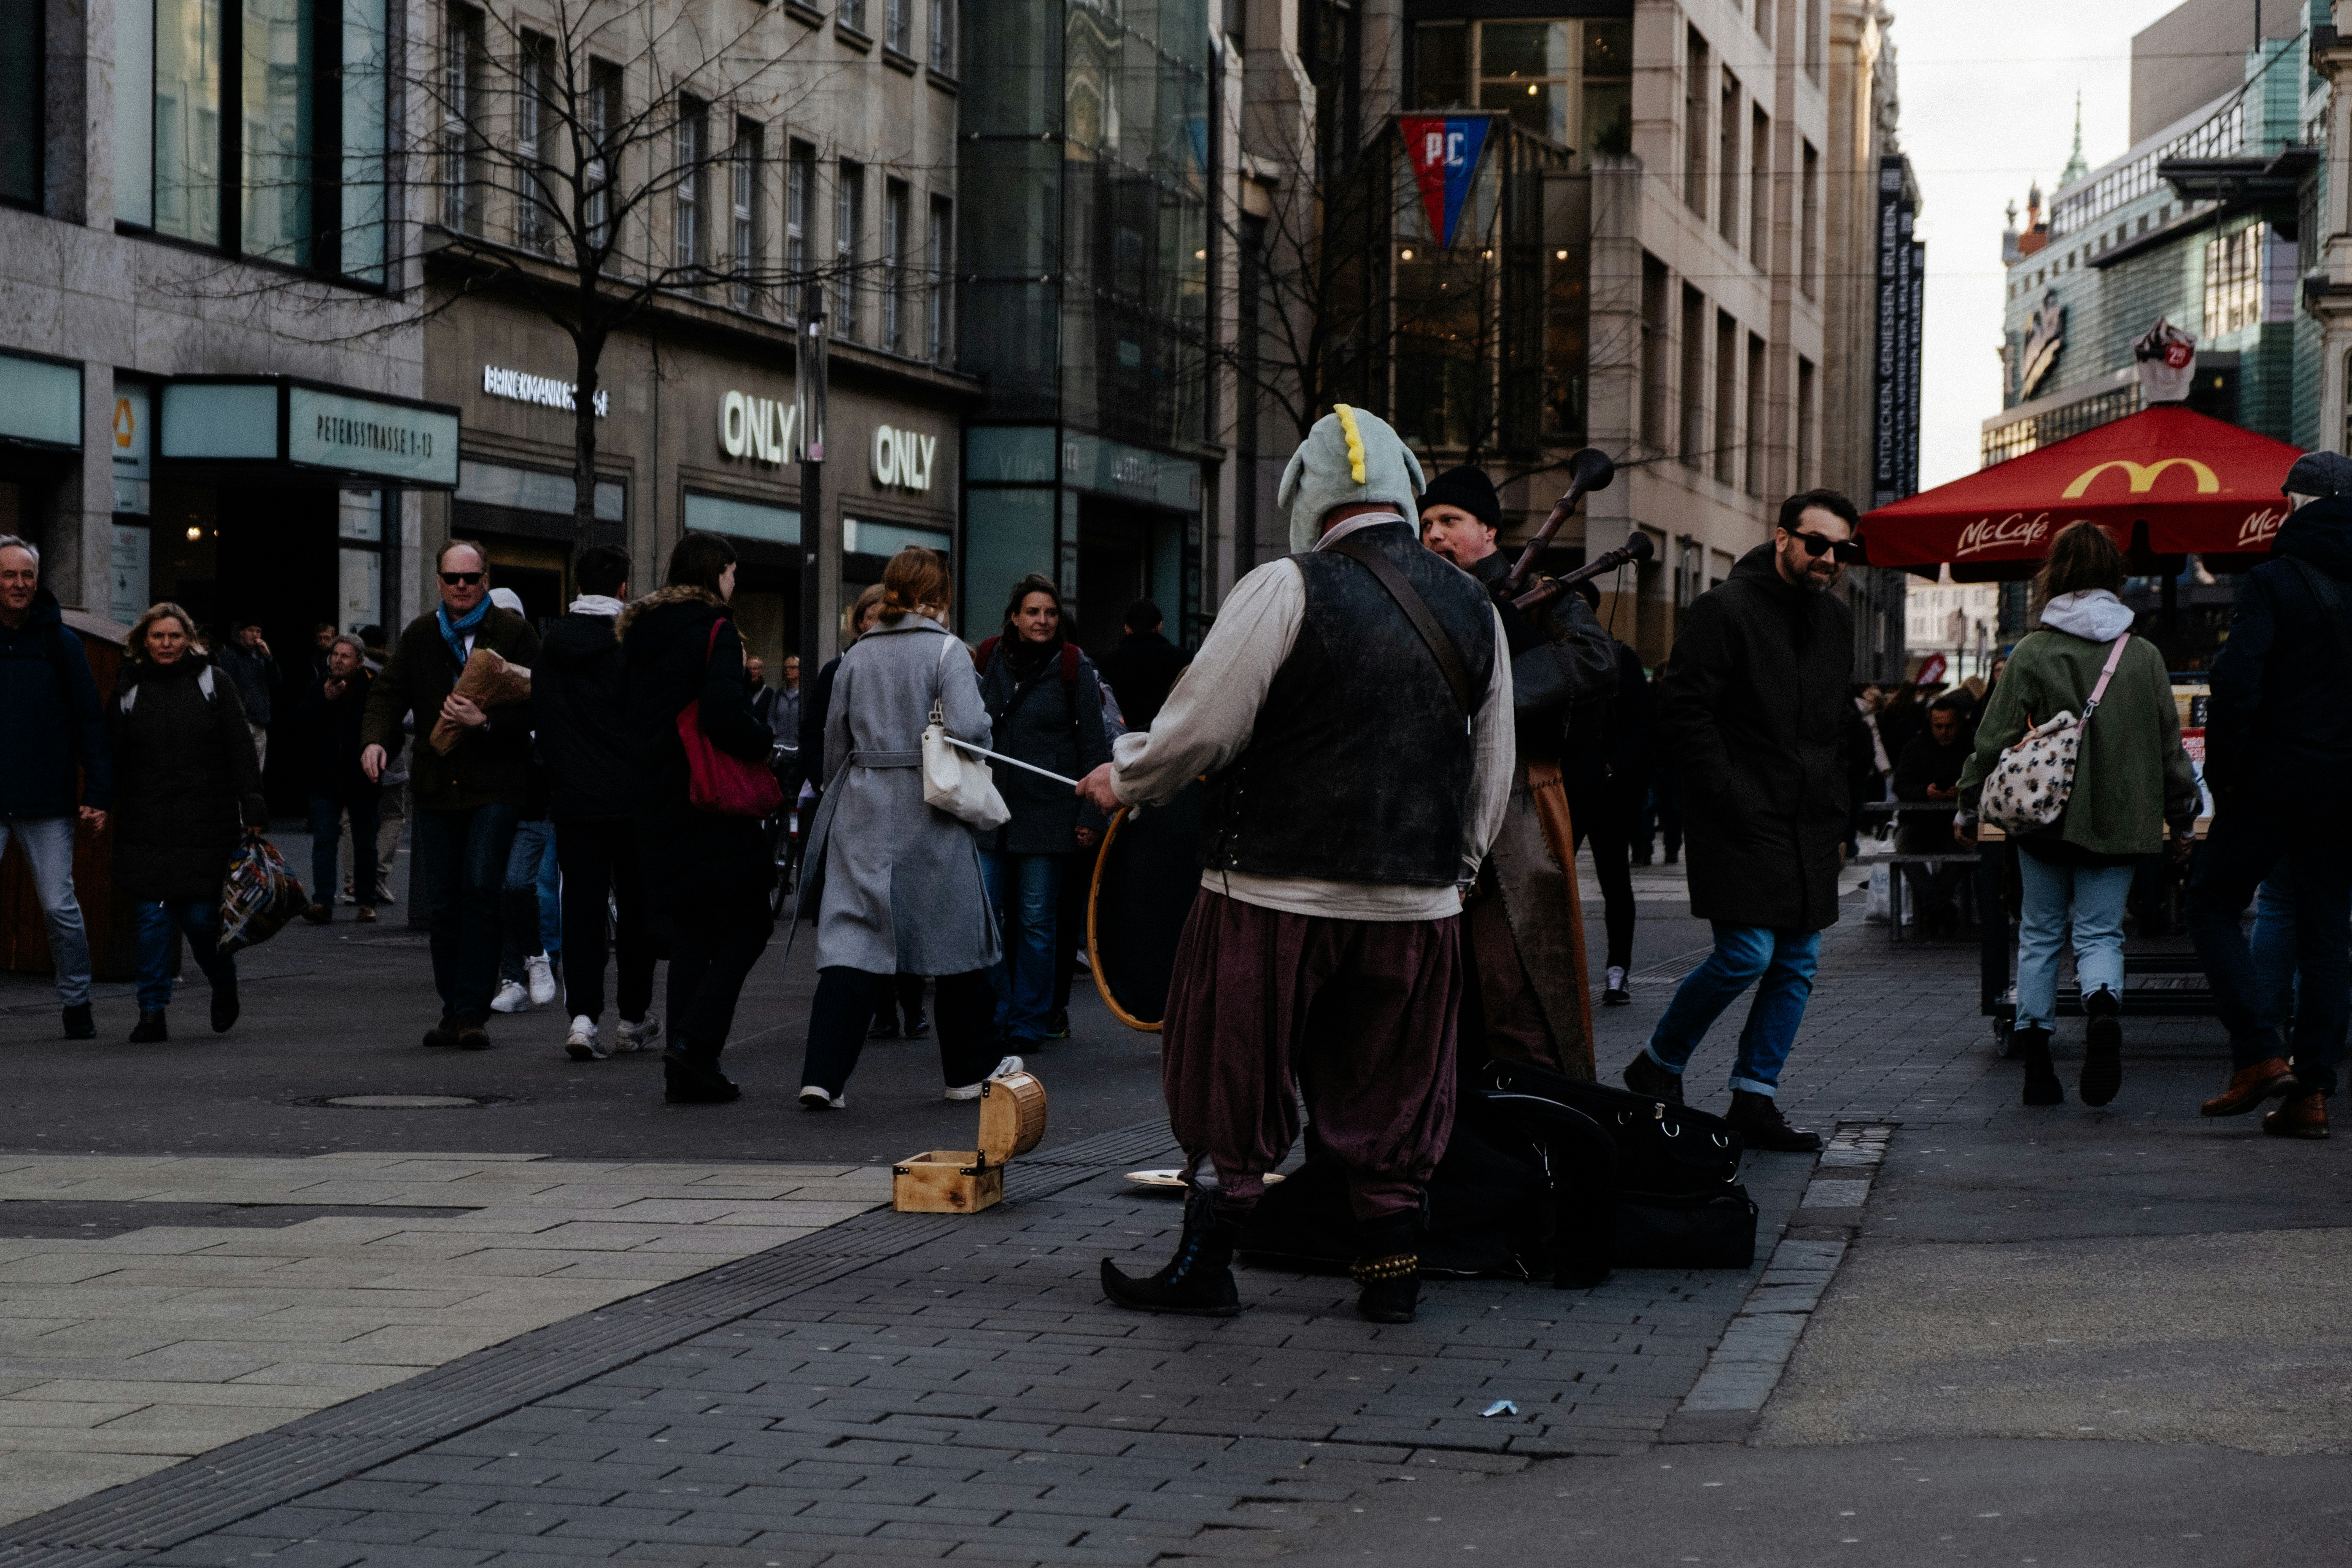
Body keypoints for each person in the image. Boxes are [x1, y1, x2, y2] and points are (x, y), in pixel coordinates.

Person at [1082, 405, 1512, 1325]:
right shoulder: (1472, 602)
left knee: (1232, 1072)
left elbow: (1200, 728)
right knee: (1393, 1087)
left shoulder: (1284, 584)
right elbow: (1492, 767)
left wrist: (1126, 778)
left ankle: (1207, 1263)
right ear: (1403, 490)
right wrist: (1453, 871)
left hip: (1270, 890)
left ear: (1306, 497)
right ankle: (1391, 1272)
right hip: (1416, 903)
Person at [1625, 489, 1871, 1154]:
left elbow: (1837, 725)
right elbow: (1684, 712)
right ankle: (1658, 1063)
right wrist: (1727, 791)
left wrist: (1839, 807)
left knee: (1797, 962)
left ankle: (1754, 1098)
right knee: (1747, 955)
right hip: (1741, 815)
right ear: (1783, 537)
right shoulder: (1724, 610)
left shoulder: (1836, 622)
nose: (1827, 559)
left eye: (1841, 549)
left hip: (1809, 819)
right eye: (1815, 543)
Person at [1956, 522, 2196, 1109]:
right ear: (2115, 575)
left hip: (2045, 822)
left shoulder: (2034, 652)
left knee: (2039, 934)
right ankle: (2103, 1010)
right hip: (2122, 822)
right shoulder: (2141, 655)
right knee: (2100, 933)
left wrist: (1968, 799)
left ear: (2055, 574)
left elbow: (1994, 740)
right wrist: (2181, 814)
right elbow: (2170, 748)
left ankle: (2038, 1064)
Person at [794, 547, 1023, 1109]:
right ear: (939, 595)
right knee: (955, 939)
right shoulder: (946, 650)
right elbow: (970, 729)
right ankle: (969, 1069)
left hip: (864, 806)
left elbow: (833, 742)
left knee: (854, 941)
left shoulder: (857, 655)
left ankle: (823, 1075)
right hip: (932, 808)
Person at [1418, 463, 1616, 1072]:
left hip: (1519, 818)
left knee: (1517, 991)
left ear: (1489, 531)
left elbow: (1593, 658)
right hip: (1435, 819)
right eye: (1425, 524)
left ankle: (1539, 1138)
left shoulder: (1543, 597)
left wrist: (1493, 692)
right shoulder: (1420, 597)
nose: (1434, 536)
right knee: (1440, 1000)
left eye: (1450, 521)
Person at [2185, 451, 2352, 1137]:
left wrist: (2227, 778)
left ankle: (2258, 1052)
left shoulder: (2273, 580)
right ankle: (2310, 1093)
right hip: (2344, 789)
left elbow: (2236, 685)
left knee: (2211, 902)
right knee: (2326, 935)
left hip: (2273, 779)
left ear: (2299, 503)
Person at [361, 541, 541, 1052]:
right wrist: (375, 740)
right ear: (439, 582)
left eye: (471, 577)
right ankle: (452, 1009)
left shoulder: (514, 633)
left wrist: (486, 722)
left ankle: (471, 1011)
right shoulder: (421, 635)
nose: (461, 586)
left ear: (486, 579)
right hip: (439, 787)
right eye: (451, 578)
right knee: (445, 904)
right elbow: (387, 694)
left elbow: (544, 700)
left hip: (496, 787)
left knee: (482, 889)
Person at [620, 532, 775, 1104]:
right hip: (710, 802)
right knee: (750, 922)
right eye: (732, 573)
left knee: (693, 930)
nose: (735, 583)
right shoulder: (717, 632)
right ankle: (694, 1043)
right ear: (717, 574)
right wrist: (765, 742)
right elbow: (723, 717)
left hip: (656, 799)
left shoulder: (640, 634)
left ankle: (685, 1069)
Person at [111, 603, 267, 1042]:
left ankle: (223, 982)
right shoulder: (129, 688)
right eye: (158, 637)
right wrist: (100, 803)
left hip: (206, 824)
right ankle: (151, 1012)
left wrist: (253, 807)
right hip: (147, 825)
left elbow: (240, 749)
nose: (166, 644)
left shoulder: (213, 682)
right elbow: (112, 756)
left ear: (189, 639)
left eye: (174, 637)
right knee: (152, 922)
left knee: (201, 921)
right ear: (144, 640)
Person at [973, 576, 1114, 1055]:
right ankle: (995, 1012)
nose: (1041, 621)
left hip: (1048, 815)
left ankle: (1029, 1021)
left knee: (1036, 921)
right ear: (1014, 616)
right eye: (1032, 612)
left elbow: (1094, 749)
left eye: (1049, 614)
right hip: (990, 813)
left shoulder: (1074, 666)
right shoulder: (985, 658)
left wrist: (1091, 817)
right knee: (987, 917)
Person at [536, 544, 659, 1062]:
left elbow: (542, 721)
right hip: (632, 798)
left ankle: (582, 1018)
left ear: (576, 584)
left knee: (581, 907)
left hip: (574, 797)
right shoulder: (634, 643)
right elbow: (650, 718)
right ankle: (632, 1017)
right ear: (624, 589)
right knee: (637, 910)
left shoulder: (551, 645)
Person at [0, 535, 112, 1040]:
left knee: (58, 907)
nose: (19, 584)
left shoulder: (59, 643)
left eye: (26, 576)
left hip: (46, 802)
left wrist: (98, 795)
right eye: (8, 575)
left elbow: (91, 722)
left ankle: (77, 1001)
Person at [1564, 592, 1651, 1009]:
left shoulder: (1619, 657)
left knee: (1614, 881)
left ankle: (1617, 971)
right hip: (1562, 789)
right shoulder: (1551, 655)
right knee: (1553, 883)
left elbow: (1643, 726)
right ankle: (1559, 970)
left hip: (1607, 793)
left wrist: (1612, 768)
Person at [290, 634, 380, 926]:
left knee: (365, 841)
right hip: (324, 776)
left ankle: (367, 900)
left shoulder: (371, 689)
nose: (338, 660)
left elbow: (388, 729)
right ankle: (323, 901)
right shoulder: (319, 687)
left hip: (361, 776)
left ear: (360, 661)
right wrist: (324, 701)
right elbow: (299, 724)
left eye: (345, 656)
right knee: (324, 840)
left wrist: (379, 757)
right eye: (335, 655)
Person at [1891, 696, 1971, 938]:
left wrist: (1963, 791)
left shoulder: (1970, 748)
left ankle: (1933, 907)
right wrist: (1925, 793)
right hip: (1918, 823)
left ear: (1958, 725)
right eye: (1939, 726)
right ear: (1931, 725)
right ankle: (1941, 907)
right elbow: (1901, 785)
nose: (1944, 732)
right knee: (1904, 845)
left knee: (1962, 850)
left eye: (1949, 726)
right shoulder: (1914, 748)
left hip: (1954, 826)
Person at [1098, 599, 1186, 731]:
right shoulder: (1183, 660)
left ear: (1127, 628)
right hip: (1168, 740)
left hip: (1121, 741)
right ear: (1159, 626)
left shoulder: (1106, 664)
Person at [214, 620, 282, 772]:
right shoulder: (230, 656)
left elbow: (276, 681)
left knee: (257, 769)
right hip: (241, 720)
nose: (255, 635)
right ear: (242, 632)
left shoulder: (261, 658)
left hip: (260, 719)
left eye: (258, 631)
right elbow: (226, 689)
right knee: (239, 767)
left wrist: (268, 657)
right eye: (251, 630)